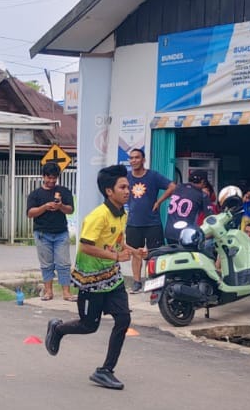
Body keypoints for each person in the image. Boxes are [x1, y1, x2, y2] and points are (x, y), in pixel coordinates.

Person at [44, 164, 135, 391]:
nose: (128, 191)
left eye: (128, 186)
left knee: (123, 319)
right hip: (91, 280)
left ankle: (105, 371)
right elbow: (85, 247)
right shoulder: (98, 216)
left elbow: (118, 239)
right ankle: (57, 329)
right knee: (88, 326)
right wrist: (116, 256)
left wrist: (133, 251)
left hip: (112, 278)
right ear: (109, 191)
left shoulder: (123, 213)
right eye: (122, 187)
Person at [123, 148, 174, 293]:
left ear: (143, 160)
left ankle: (155, 283)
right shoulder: (126, 177)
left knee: (155, 254)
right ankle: (137, 282)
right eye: (131, 158)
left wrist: (159, 202)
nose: (134, 160)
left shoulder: (153, 176)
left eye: (137, 157)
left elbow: (172, 186)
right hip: (133, 222)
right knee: (136, 253)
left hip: (152, 222)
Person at [26, 162, 76, 302]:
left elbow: (71, 210)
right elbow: (30, 213)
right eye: (49, 178)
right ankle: (48, 291)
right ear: (43, 177)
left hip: (61, 233)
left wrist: (60, 206)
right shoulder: (35, 194)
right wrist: (45, 207)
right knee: (46, 264)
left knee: (64, 263)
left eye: (54, 178)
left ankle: (66, 292)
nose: (51, 181)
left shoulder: (64, 192)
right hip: (42, 234)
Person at [162, 171, 211, 243]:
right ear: (203, 182)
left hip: (169, 232)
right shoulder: (202, 195)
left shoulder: (178, 187)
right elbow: (210, 218)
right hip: (187, 234)